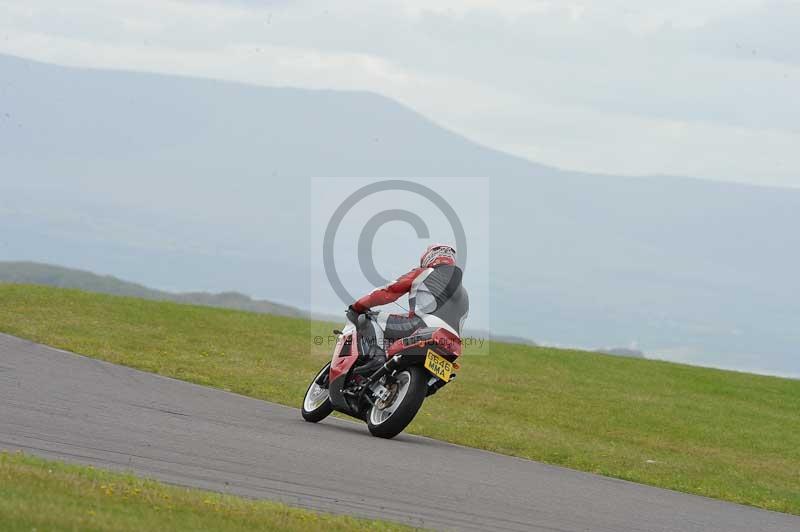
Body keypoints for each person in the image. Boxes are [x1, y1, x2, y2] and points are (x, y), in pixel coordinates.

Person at [346, 244, 469, 375]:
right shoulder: (465, 294)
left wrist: (358, 306)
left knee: (370, 318)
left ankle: (376, 358)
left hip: (423, 327)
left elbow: (388, 291)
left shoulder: (424, 273)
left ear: (430, 257)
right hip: (452, 342)